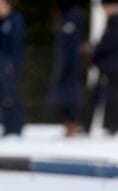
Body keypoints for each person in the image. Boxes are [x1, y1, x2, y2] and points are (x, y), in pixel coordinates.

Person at [83, 0, 118, 136]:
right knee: (99, 96)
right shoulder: (114, 21)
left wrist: (94, 51)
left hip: (110, 67)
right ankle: (90, 127)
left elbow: (109, 44)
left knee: (107, 96)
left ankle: (112, 127)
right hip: (108, 65)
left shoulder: (117, 22)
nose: (103, 10)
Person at [0, 0, 25, 137]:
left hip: (8, 66)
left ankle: (14, 128)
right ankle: (7, 126)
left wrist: (11, 65)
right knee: (1, 97)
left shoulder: (14, 21)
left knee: (10, 97)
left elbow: (15, 45)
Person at [48, 0, 85, 137]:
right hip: (65, 64)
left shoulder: (73, 16)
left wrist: (63, 65)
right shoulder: (65, 16)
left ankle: (72, 125)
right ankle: (68, 124)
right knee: (61, 97)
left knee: (70, 97)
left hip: (70, 65)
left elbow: (71, 44)